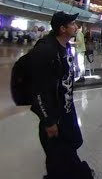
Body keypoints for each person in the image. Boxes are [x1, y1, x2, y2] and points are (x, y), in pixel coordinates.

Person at [30, 11, 83, 168]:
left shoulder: (64, 46)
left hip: (66, 106)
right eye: (72, 24)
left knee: (74, 140)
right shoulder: (46, 50)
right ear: (62, 29)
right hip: (53, 113)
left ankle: (73, 171)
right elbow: (37, 89)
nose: (76, 26)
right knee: (56, 150)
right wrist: (48, 121)